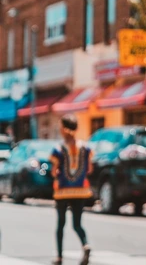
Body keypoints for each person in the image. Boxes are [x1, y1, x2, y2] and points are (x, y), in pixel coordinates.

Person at [49, 114, 93, 265]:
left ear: (64, 128)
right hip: (80, 190)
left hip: (62, 191)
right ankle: (85, 244)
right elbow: (89, 169)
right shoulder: (86, 148)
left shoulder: (58, 149)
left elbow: (54, 171)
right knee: (77, 224)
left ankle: (60, 257)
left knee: (61, 224)